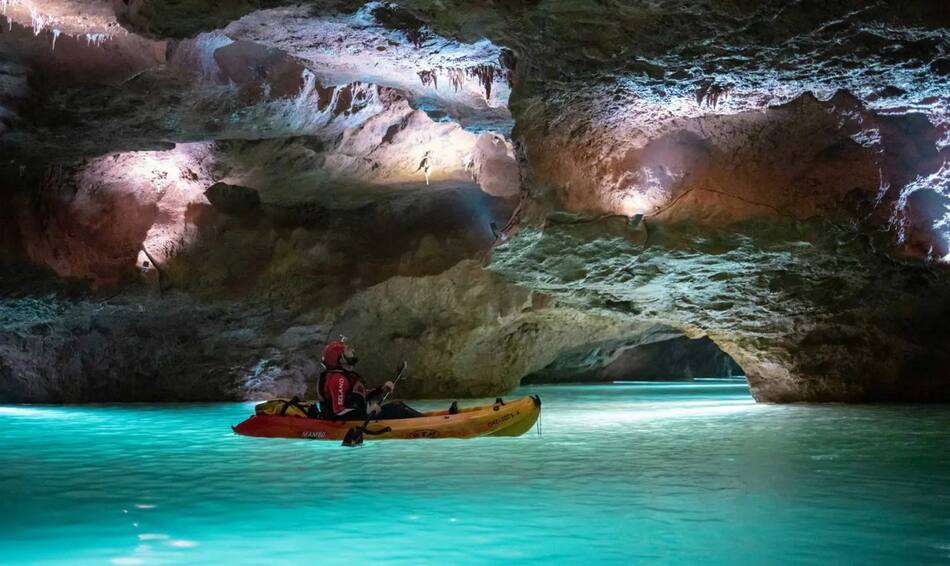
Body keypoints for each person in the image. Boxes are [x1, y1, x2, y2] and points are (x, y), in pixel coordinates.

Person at [316, 339, 421, 420]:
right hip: (352, 420)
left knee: (398, 406)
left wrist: (381, 389)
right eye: (347, 350)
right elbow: (338, 412)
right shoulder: (338, 379)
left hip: (357, 417)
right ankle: (425, 423)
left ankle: (424, 419)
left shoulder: (342, 376)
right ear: (340, 358)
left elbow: (357, 395)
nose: (353, 351)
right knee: (397, 409)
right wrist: (366, 412)